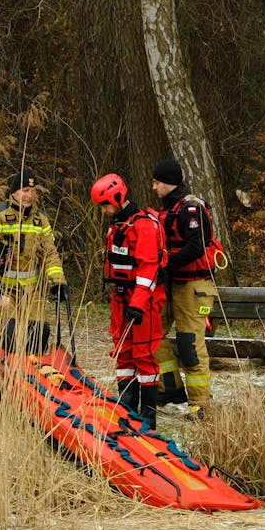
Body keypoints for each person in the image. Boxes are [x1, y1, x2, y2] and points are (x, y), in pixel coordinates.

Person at [92, 173, 167, 430]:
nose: (103, 211)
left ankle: (147, 417)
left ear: (116, 197)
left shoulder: (144, 225)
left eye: (104, 205)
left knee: (143, 354)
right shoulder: (118, 225)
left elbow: (148, 268)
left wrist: (138, 302)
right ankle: (126, 408)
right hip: (122, 296)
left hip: (141, 298)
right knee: (123, 353)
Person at [150, 159, 223, 419]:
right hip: (170, 282)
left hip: (194, 286)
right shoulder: (166, 209)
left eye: (157, 182)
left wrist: (165, 262)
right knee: (151, 331)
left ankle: (201, 404)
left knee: (189, 342)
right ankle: (169, 387)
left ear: (169, 183)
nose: (154, 186)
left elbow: (195, 248)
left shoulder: (191, 209)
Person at [0, 168, 68, 354]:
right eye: (25, 190)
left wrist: (58, 282)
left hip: (32, 292)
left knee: (39, 333)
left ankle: (33, 374)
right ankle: (4, 379)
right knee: (8, 335)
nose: (29, 196)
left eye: (33, 192)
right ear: (14, 191)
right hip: (5, 291)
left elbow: (50, 254)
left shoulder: (40, 220)